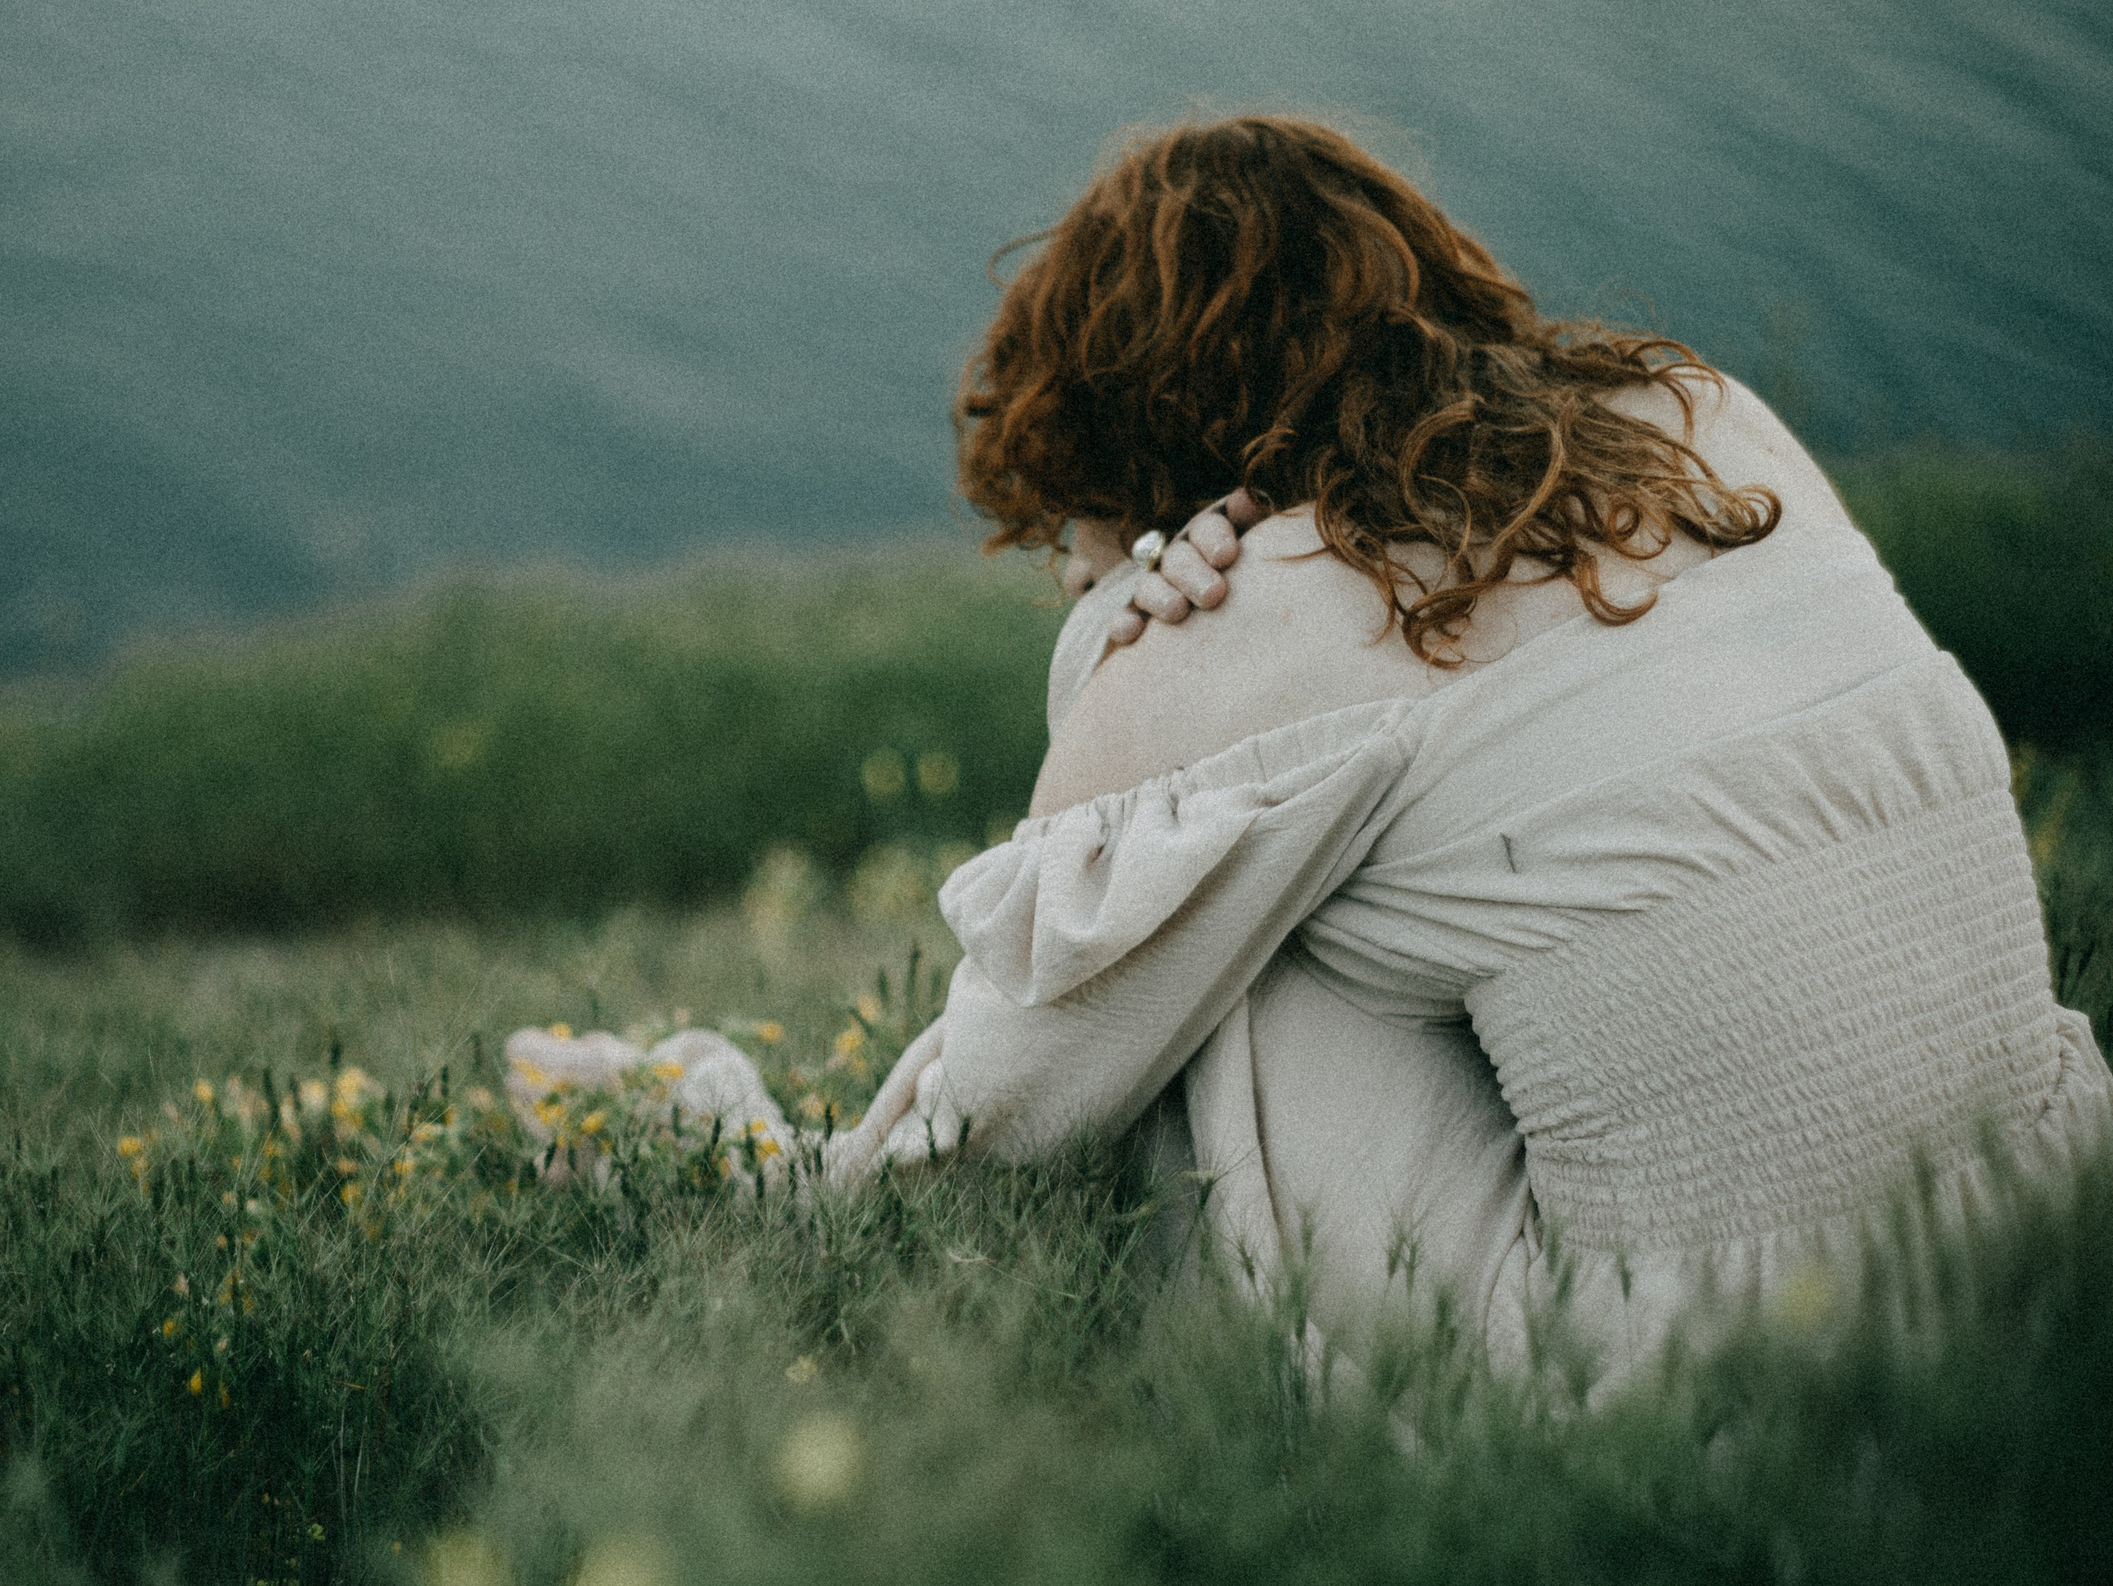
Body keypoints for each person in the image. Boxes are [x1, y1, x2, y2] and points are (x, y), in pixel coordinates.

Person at [507, 115, 2110, 1381]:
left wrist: (1122, 644)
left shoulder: (1241, 625)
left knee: (1211, 949)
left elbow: (989, 1123)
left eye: (1072, 523)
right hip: (2036, 1268)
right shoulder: (1701, 419)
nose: (1064, 563)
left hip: (1710, 1397)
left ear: (1144, 435)